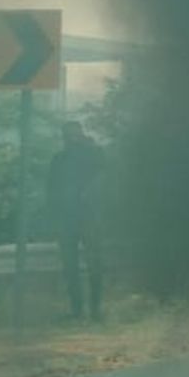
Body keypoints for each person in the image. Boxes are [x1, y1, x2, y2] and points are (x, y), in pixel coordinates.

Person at [47, 121, 106, 321]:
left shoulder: (92, 156)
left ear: (81, 135)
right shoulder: (59, 160)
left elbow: (105, 174)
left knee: (94, 264)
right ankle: (77, 310)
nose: (71, 139)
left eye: (75, 135)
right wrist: (55, 219)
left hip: (89, 216)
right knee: (70, 266)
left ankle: (95, 310)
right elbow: (51, 192)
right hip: (67, 220)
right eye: (68, 136)